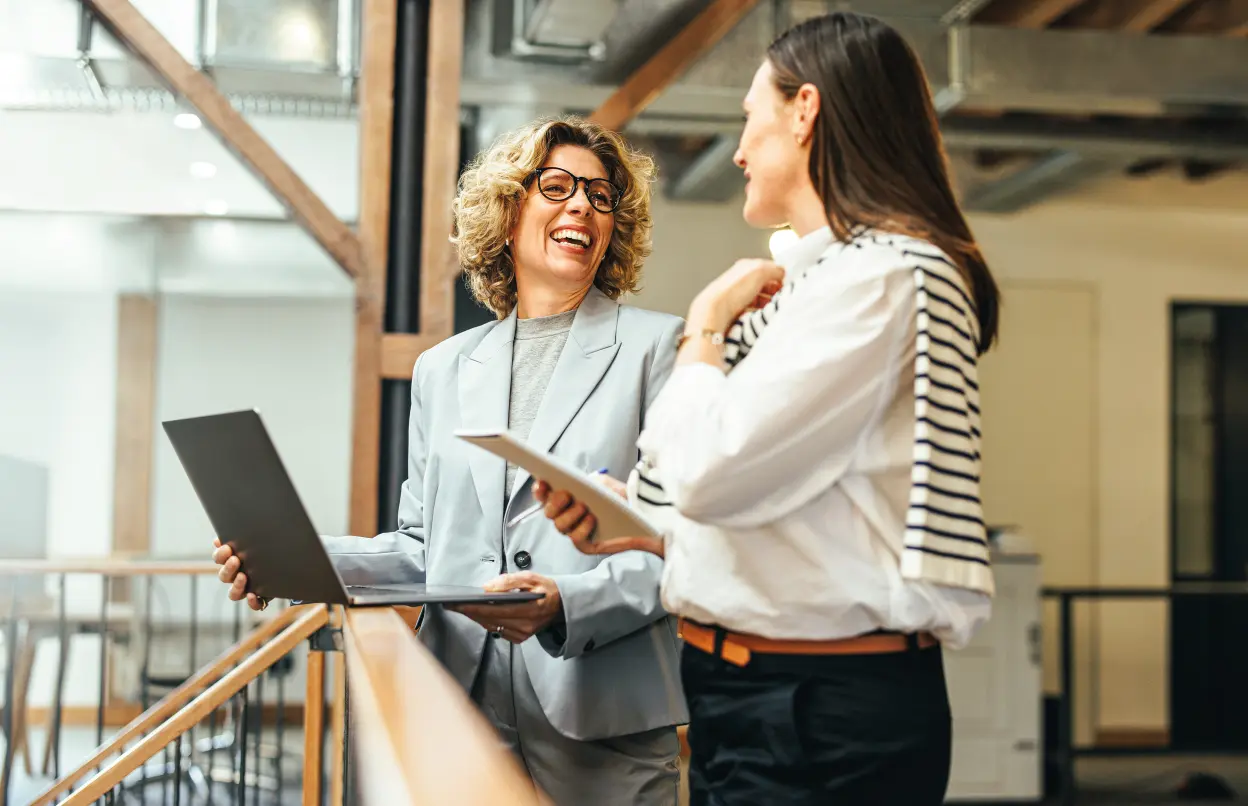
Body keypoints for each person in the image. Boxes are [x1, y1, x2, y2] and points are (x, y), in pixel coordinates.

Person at [536, 12, 1001, 806]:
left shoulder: (882, 277)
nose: (740, 150)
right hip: (761, 694)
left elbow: (709, 473)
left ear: (805, 110)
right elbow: (786, 506)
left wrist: (705, 327)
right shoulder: (833, 280)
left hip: (816, 708)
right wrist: (641, 524)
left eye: (751, 116)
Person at [212, 117, 687, 806]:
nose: (583, 206)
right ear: (508, 210)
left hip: (603, 716)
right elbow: (422, 547)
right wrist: (292, 561)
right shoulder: (443, 369)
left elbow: (680, 545)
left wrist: (567, 604)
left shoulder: (659, 350)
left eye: (601, 195)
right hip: (464, 704)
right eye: (557, 186)